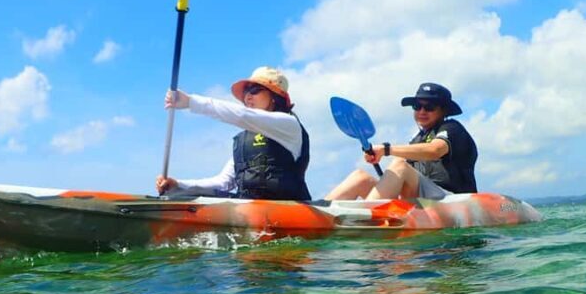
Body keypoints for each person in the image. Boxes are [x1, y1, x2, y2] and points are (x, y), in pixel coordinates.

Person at [156, 66, 311, 200]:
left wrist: (190, 102)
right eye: (246, 92)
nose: (247, 96)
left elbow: (243, 116)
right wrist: (178, 184)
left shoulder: (289, 125)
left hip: (288, 207)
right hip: (250, 208)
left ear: (275, 97)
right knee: (177, 194)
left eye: (255, 90)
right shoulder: (245, 139)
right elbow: (224, 182)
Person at [325, 82, 477, 201]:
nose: (422, 111)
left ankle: (366, 217)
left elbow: (434, 150)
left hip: (451, 200)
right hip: (420, 199)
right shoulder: (416, 140)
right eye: (417, 106)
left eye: (429, 107)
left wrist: (385, 150)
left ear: (443, 111)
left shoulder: (452, 128)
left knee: (400, 165)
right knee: (361, 177)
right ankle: (318, 213)